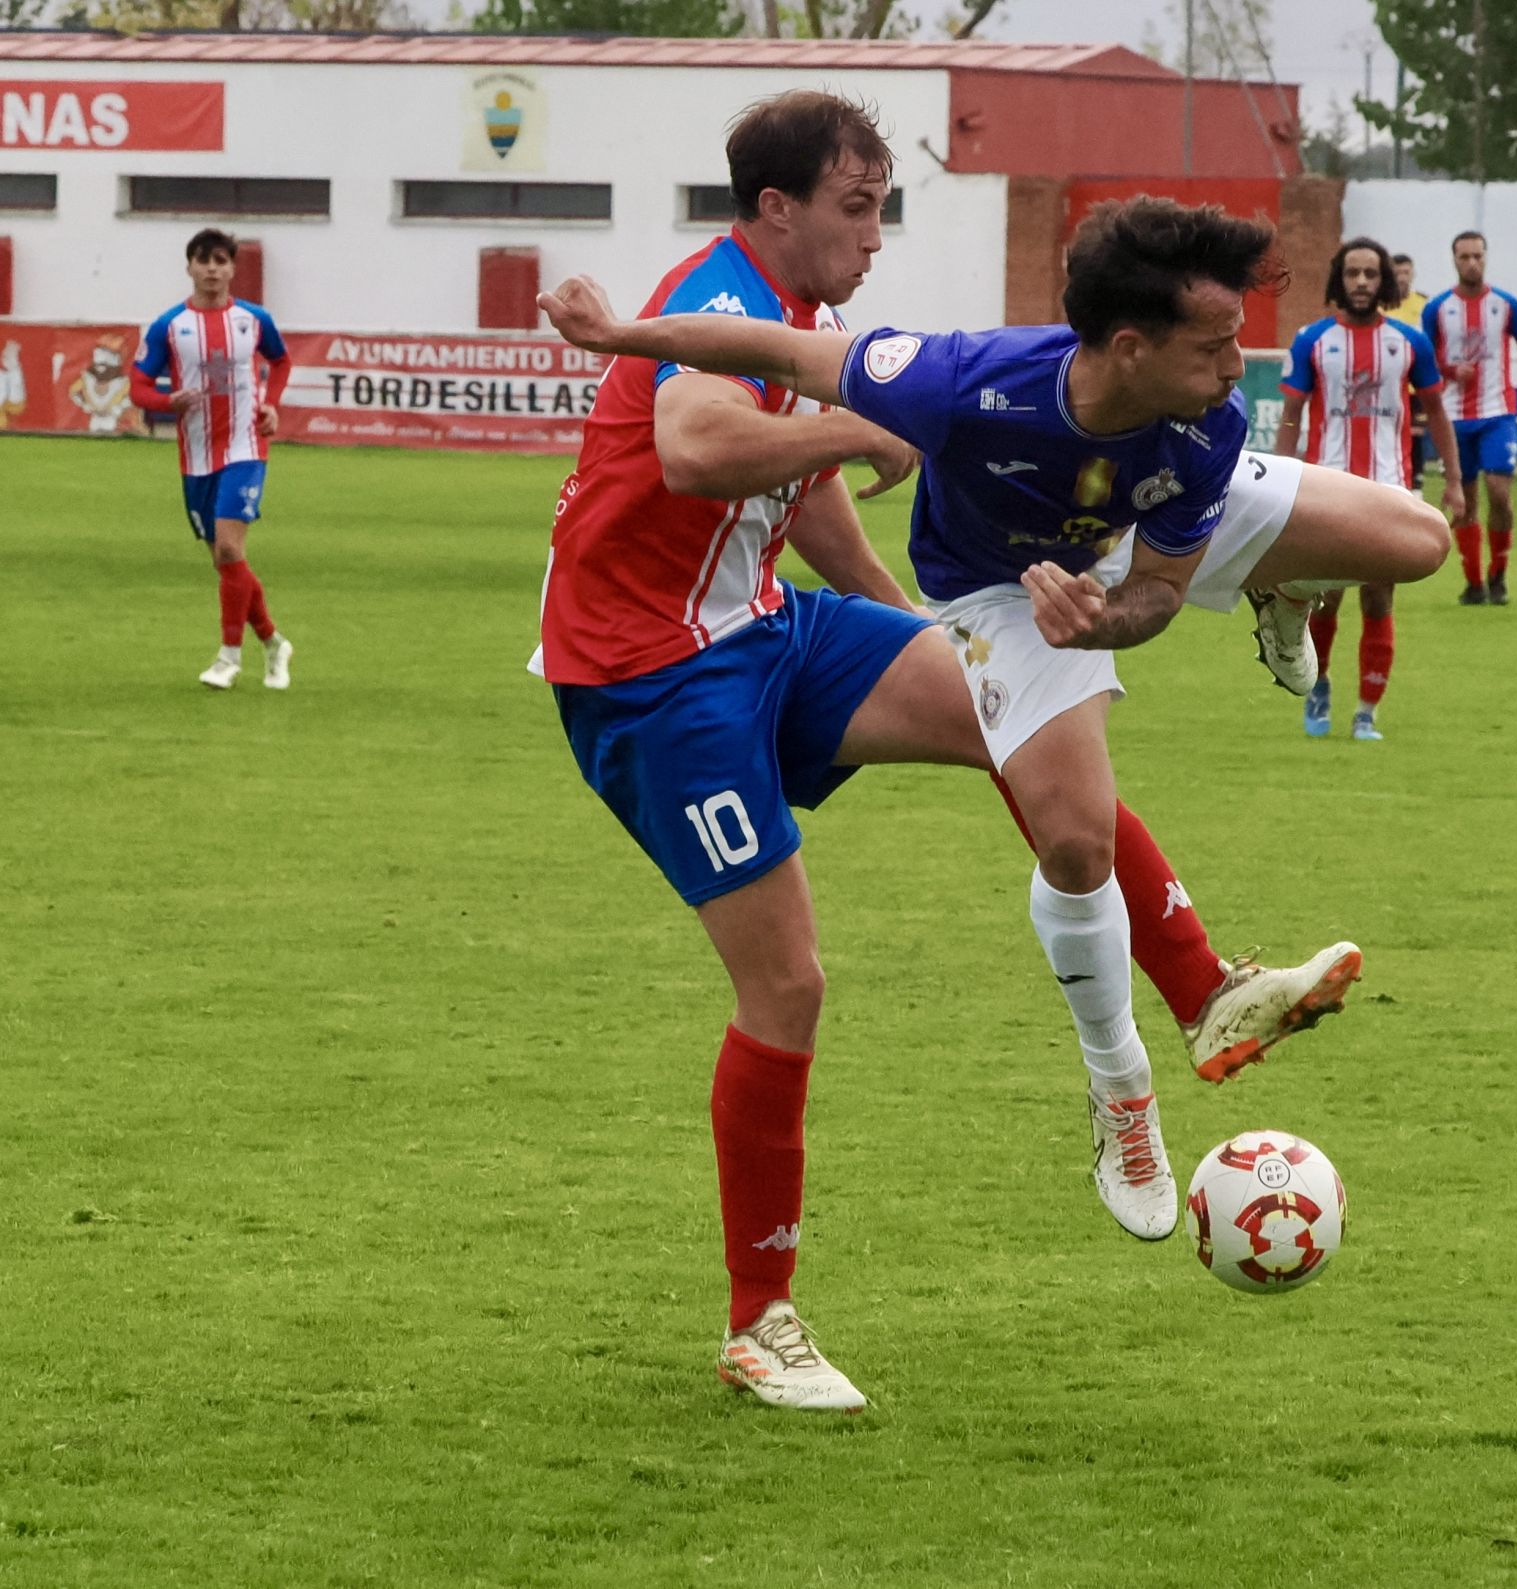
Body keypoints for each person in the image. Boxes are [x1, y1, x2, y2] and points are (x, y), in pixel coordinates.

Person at [530, 101, 1361, 1416]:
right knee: (789, 986)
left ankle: (1202, 992)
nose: (872, 235)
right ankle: (762, 1323)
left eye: (882, 207)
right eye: (855, 208)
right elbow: (696, 449)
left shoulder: (786, 322)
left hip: (761, 630)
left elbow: (795, 504)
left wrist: (913, 624)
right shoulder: (720, 290)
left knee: (1009, 715)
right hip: (649, 676)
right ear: (776, 210)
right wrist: (855, 430)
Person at [1271, 238, 1463, 741]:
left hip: (1391, 491)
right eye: (1352, 273)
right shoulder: (1312, 340)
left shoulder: (1409, 342)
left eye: (1370, 274)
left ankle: (1366, 711)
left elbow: (1437, 414)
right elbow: (1291, 416)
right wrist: (1279, 480)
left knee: (1379, 602)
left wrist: (1456, 481)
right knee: (1327, 599)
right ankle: (1319, 687)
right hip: (1328, 490)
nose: (1361, 282)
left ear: (1386, 282)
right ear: (1339, 279)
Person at [129, 228, 294, 690]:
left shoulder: (254, 319)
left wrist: (272, 403)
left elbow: (281, 362)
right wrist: (167, 402)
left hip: (245, 447)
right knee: (229, 561)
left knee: (226, 548)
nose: (212, 270)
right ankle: (274, 642)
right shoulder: (169, 325)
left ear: (232, 268)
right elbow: (138, 385)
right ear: (189, 267)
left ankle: (228, 658)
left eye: (220, 261)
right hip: (196, 455)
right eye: (203, 261)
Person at [1423, 232, 1517, 606]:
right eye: (1464, 256)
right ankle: (1474, 583)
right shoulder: (1438, 309)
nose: (1471, 262)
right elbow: (1423, 362)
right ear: (1454, 260)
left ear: (1486, 258)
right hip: (1454, 417)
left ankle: (1498, 574)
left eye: (1477, 255)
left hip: (1498, 412)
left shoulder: (1506, 305)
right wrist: (1449, 370)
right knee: (1466, 502)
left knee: (1500, 494)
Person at [1387, 252, 1429, 489]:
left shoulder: (1423, 304)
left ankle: (1417, 482)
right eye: (1398, 272)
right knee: (1392, 431)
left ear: (1413, 274)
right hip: (1392, 383)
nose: (1402, 277)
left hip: (1416, 384)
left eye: (1406, 272)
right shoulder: (1382, 306)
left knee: (1416, 434)